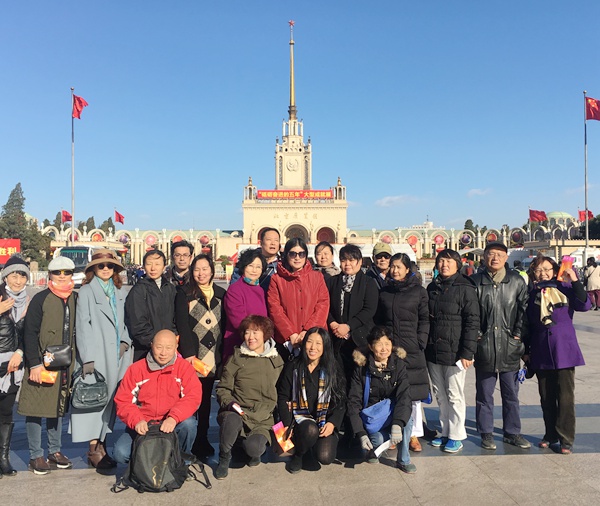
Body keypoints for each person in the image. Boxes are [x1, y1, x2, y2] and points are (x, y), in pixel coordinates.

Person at [71, 249, 133, 469]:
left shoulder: (119, 291)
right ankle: (93, 449)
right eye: (101, 266)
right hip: (97, 357)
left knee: (110, 401)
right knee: (94, 401)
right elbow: (82, 325)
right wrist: (87, 357)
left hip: (118, 356)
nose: (106, 269)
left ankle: (103, 444)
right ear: (93, 269)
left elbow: (126, 321)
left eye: (110, 266)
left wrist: (125, 341)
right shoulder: (87, 291)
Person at [524, 255, 591, 454]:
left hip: (563, 349)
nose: (542, 273)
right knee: (546, 396)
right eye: (538, 270)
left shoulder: (565, 288)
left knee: (565, 397)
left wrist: (575, 280)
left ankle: (566, 438)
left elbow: (585, 305)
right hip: (541, 349)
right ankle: (550, 434)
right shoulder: (532, 293)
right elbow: (527, 324)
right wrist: (526, 351)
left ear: (554, 270)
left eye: (546, 269)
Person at [18, 257, 77, 475]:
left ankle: (55, 451)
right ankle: (36, 455)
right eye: (57, 272)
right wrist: (34, 363)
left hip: (64, 363)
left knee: (57, 407)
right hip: (41, 362)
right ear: (50, 274)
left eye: (66, 272)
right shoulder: (41, 298)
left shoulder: (75, 298)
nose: (62, 276)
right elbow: (29, 332)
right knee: (34, 408)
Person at [471, 242, 530, 450]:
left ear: (506, 258)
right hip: (485, 347)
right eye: (491, 254)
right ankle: (486, 432)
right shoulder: (475, 282)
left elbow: (524, 311)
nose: (495, 258)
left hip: (510, 347)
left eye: (499, 254)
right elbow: (470, 314)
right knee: (484, 394)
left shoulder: (516, 281)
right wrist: (478, 337)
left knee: (511, 394)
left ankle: (512, 432)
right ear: (484, 257)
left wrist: (517, 335)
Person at [113, 330, 202, 464]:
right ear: (152, 345)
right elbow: (123, 401)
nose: (163, 353)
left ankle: (182, 461)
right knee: (120, 454)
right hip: (144, 424)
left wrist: (174, 417)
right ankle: (146, 464)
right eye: (159, 347)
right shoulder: (136, 369)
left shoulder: (184, 368)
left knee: (189, 424)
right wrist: (137, 421)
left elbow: (192, 397)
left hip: (171, 422)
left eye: (168, 348)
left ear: (176, 347)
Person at [215, 315, 284, 479]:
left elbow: (282, 392)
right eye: (247, 332)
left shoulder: (276, 360)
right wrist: (230, 403)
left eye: (255, 332)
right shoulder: (236, 358)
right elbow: (223, 388)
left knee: (254, 448)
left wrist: (281, 424)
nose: (250, 337)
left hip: (263, 418)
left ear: (265, 334)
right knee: (231, 421)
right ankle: (224, 456)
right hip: (238, 412)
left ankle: (247, 448)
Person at [425, 249, 479, 454]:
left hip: (455, 351)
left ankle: (457, 435)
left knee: (454, 394)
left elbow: (472, 321)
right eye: (441, 261)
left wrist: (468, 352)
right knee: (440, 394)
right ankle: (446, 431)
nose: (444, 265)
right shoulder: (432, 287)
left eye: (449, 261)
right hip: (434, 349)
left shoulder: (465, 287)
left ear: (458, 264)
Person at [376, 252, 430, 458]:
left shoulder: (418, 291)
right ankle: (393, 432)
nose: (395, 270)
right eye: (392, 266)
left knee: (412, 393)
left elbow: (425, 319)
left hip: (411, 348)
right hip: (390, 349)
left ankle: (413, 434)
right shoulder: (385, 291)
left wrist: (420, 341)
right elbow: (380, 319)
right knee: (391, 390)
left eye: (399, 267)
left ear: (408, 269)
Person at [175, 254, 226, 458]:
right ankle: (190, 440)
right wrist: (188, 353)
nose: (201, 273)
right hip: (194, 357)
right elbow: (182, 325)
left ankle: (202, 438)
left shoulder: (221, 294)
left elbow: (224, 325)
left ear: (212, 271)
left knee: (206, 401)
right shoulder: (185, 294)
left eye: (205, 269)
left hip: (213, 356)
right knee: (191, 398)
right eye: (197, 269)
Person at [277, 327, 346, 474]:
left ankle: (310, 447)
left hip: (323, 421)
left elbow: (341, 401)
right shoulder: (293, 366)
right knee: (310, 429)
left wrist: (332, 423)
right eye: (309, 342)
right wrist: (287, 424)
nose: (313, 347)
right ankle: (299, 454)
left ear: (325, 346)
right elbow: (282, 397)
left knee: (325, 457)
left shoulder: (333, 369)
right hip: (300, 421)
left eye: (318, 343)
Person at [346, 326, 413, 472]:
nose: (384, 348)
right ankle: (373, 449)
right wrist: (360, 433)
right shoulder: (362, 368)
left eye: (387, 343)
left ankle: (404, 460)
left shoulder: (399, 365)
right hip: (373, 419)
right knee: (377, 441)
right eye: (379, 344)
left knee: (407, 420)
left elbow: (404, 397)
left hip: (392, 414)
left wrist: (398, 423)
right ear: (371, 346)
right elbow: (353, 402)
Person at [267, 238, 329, 359]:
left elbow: (323, 305)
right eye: (292, 254)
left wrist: (308, 332)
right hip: (287, 341)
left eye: (301, 254)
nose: (297, 258)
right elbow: (275, 309)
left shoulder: (317, 277)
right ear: (286, 255)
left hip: (314, 338)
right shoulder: (276, 279)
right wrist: (290, 333)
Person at [326, 244, 378, 380]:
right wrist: (333, 323)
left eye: (351, 260)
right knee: (339, 379)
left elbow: (369, 310)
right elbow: (325, 306)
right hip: (337, 339)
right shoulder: (332, 282)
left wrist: (348, 326)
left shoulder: (368, 283)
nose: (347, 264)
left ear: (360, 262)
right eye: (344, 260)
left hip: (360, 339)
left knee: (358, 380)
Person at [0, 255, 30, 477]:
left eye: (22, 276)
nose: (18, 281)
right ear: (5, 277)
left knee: (5, 412)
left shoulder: (28, 301)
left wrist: (20, 353)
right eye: (13, 276)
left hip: (13, 365)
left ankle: (3, 458)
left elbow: (29, 333)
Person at [125, 249, 177, 361]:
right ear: (144, 266)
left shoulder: (170, 289)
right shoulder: (138, 290)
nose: (153, 268)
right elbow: (137, 323)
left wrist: (172, 339)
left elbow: (176, 317)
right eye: (149, 264)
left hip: (169, 350)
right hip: (146, 350)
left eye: (157, 264)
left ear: (164, 267)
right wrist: (156, 343)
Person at [222, 248, 268, 363]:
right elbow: (239, 322)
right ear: (243, 267)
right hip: (240, 345)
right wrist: (258, 337)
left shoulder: (260, 290)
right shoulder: (235, 290)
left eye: (258, 267)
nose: (254, 270)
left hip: (260, 345)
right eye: (250, 266)